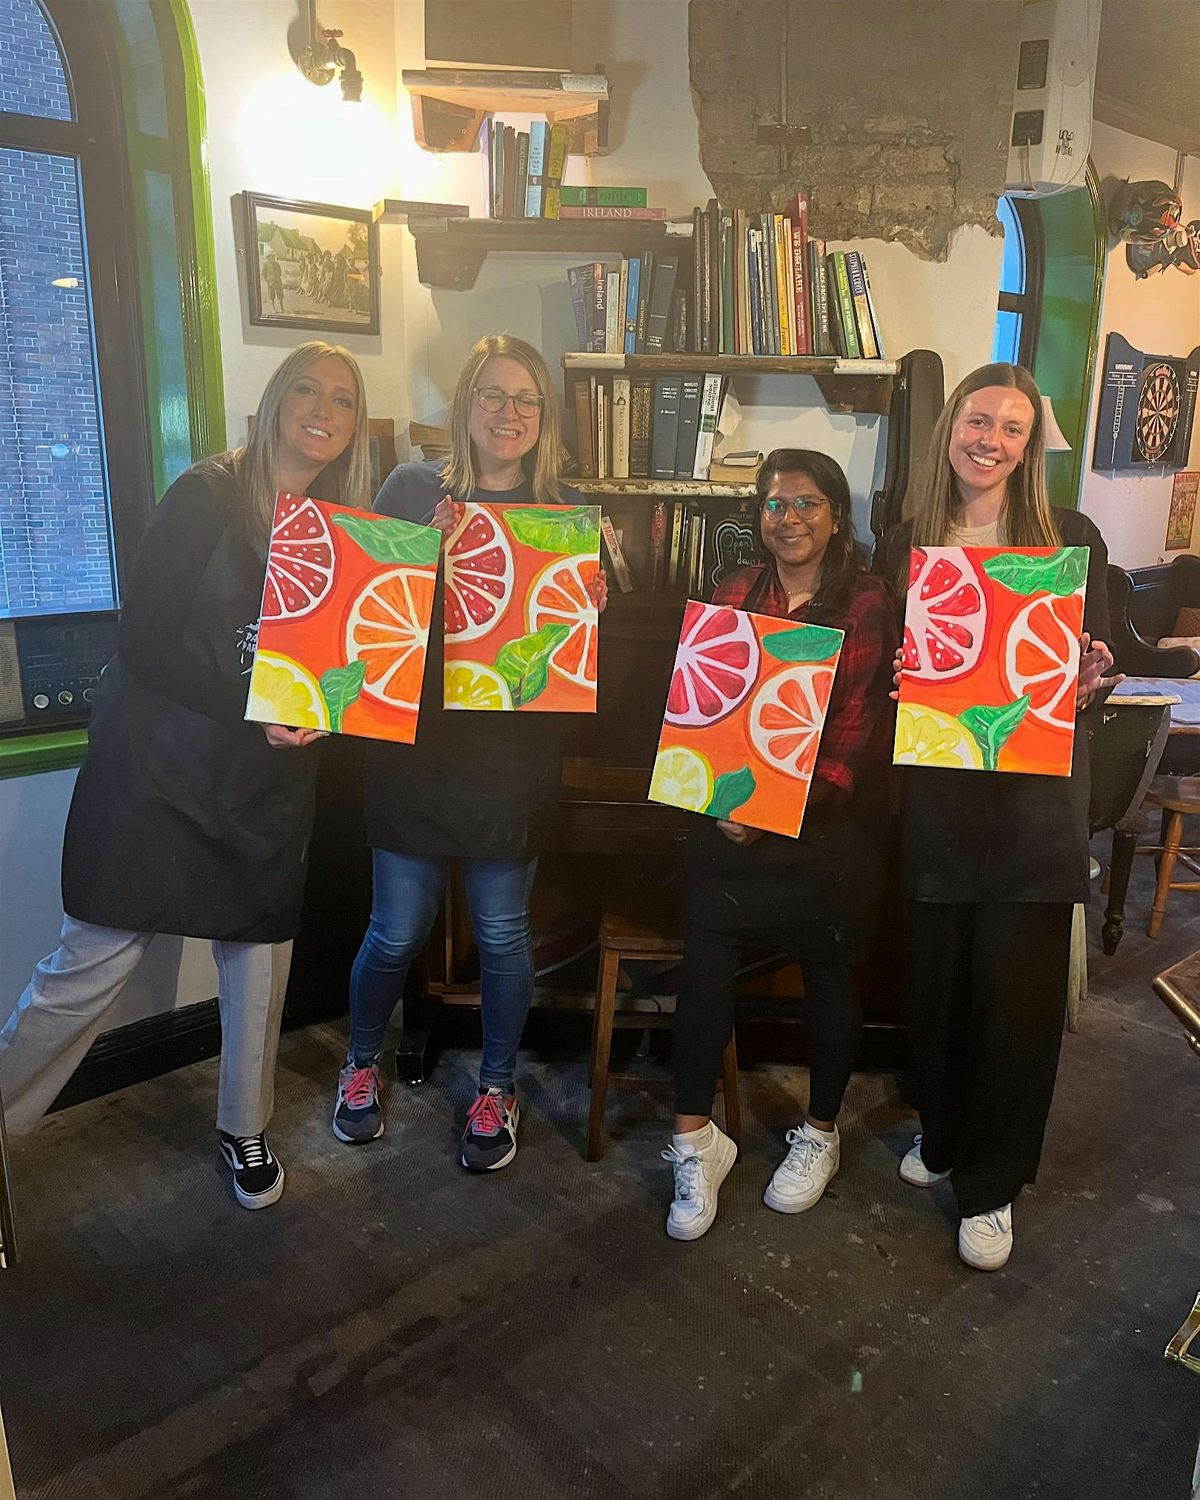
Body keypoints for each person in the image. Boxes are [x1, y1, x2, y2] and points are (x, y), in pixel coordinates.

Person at [0, 342, 371, 1209]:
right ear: (274, 401)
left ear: (355, 425)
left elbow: (351, 648)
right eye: (307, 390)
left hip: (263, 781)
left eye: (343, 399)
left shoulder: (342, 527)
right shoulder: (206, 494)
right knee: (91, 962)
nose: (323, 410)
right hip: (159, 767)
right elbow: (144, 644)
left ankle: (245, 1126)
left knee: (259, 962)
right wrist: (256, 708)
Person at [331, 333, 606, 1171]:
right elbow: (361, 609)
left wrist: (589, 601)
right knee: (394, 931)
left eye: (526, 399)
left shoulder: (564, 508)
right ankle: (361, 1062)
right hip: (415, 748)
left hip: (510, 757)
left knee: (501, 932)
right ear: (466, 404)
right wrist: (420, 552)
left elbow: (567, 649)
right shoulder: (412, 488)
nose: (509, 412)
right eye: (494, 394)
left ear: (545, 415)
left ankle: (496, 1085)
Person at [883, 362, 1120, 1271]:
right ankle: (944, 1136)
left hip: (1032, 809)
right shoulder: (906, 540)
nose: (991, 440)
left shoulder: (1072, 541)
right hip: (939, 799)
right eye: (978, 420)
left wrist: (1090, 682)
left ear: (1030, 447)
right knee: (937, 991)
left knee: (1016, 1005)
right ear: (951, 427)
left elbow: (1093, 673)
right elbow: (892, 664)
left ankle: (991, 1186)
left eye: (1012, 428)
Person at [662, 449, 899, 1241]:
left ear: (836, 514)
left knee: (831, 979)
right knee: (702, 970)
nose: (789, 519)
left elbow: (857, 729)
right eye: (774, 505)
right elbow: (705, 703)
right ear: (757, 517)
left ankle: (821, 1132)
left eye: (806, 504)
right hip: (732, 822)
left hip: (825, 831)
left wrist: (773, 812)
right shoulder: (732, 591)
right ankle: (695, 1141)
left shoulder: (867, 600)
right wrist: (720, 800)